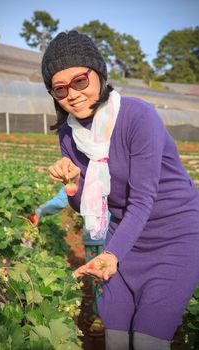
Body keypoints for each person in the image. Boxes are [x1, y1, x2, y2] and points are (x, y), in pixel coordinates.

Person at [41, 30, 199, 350]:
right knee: (114, 334)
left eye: (80, 81)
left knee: (146, 340)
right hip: (122, 234)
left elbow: (142, 199)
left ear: (98, 74)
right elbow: (88, 205)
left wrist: (112, 254)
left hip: (174, 235)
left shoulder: (137, 116)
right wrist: (72, 186)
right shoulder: (69, 137)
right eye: (60, 89)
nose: (71, 94)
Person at [29, 186, 107, 335]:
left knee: (105, 276)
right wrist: (40, 211)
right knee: (94, 277)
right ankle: (98, 311)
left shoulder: (111, 169)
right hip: (91, 236)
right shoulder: (81, 173)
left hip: (113, 235)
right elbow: (63, 197)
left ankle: (102, 316)